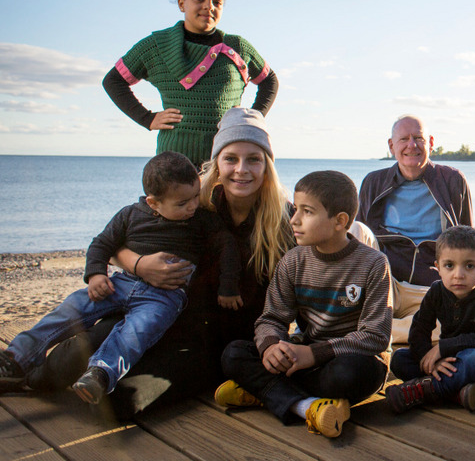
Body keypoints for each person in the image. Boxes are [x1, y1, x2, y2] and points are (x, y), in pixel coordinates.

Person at [23, 108, 294, 419]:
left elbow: (323, 262)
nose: (241, 169)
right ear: (217, 163)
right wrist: (138, 265)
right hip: (166, 321)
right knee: (85, 345)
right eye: (231, 158)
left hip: (223, 349)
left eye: (254, 159)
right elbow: (115, 244)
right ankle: (23, 377)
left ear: (267, 164)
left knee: (121, 402)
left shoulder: (284, 219)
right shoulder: (193, 203)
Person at [0, 152, 239, 405]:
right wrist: (95, 275)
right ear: (153, 203)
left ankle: (100, 374)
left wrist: (228, 287)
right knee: (69, 310)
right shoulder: (130, 215)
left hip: (164, 297)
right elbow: (101, 244)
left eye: (194, 197)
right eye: (182, 203)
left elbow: (228, 247)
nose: (192, 206)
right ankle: (16, 358)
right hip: (120, 284)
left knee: (136, 332)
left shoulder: (201, 220)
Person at [217, 170, 392, 439]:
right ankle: (306, 406)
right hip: (306, 355)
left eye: (307, 212)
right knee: (234, 353)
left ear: (340, 221)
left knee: (347, 375)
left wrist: (314, 355)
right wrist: (271, 347)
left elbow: (376, 336)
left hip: (351, 359)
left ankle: (265, 391)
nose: (294, 219)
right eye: (295, 209)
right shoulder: (293, 261)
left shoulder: (373, 264)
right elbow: (271, 319)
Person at [103, 0, 278, 167]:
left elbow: (269, 80)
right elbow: (113, 81)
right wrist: (147, 118)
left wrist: (250, 121)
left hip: (228, 163)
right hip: (174, 163)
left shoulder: (237, 47)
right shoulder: (157, 46)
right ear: (181, 4)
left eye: (217, 2)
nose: (208, 6)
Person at [356, 115, 473, 343]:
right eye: (404, 139)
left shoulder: (451, 180)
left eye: (418, 138)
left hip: (432, 288)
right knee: (356, 229)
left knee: (455, 324)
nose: (412, 145)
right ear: (391, 146)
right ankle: (392, 327)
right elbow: (360, 243)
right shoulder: (374, 181)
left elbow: (469, 240)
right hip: (386, 285)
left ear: (430, 142)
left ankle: (378, 330)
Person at [386, 226, 475, 413]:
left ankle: (425, 390)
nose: (458, 275)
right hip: (446, 362)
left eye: (469, 266)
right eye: (449, 266)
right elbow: (419, 330)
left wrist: (443, 347)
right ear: (438, 267)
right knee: (400, 359)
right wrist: (430, 358)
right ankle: (455, 394)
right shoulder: (436, 291)